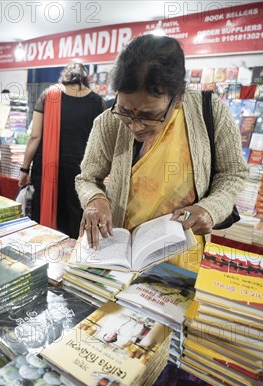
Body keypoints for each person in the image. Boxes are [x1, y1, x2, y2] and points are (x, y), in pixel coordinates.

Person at [75, 35, 246, 271]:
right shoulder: (109, 122)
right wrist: (95, 200)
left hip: (184, 256)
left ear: (179, 98)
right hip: (119, 255)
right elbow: (87, 178)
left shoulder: (211, 112)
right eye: (125, 111)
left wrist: (210, 209)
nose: (135, 126)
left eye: (149, 115)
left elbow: (233, 173)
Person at [19, 62, 106, 239]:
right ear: (87, 78)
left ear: (65, 76)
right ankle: (71, 257)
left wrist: (24, 168)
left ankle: (44, 255)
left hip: (47, 168)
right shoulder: (98, 102)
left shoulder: (48, 95)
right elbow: (102, 142)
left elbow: (35, 136)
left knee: (45, 211)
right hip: (81, 171)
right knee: (75, 216)